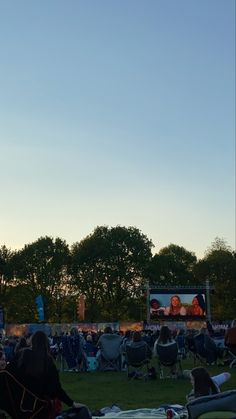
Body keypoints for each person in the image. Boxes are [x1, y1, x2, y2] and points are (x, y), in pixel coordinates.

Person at [6, 331, 91, 418]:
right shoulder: (47, 361)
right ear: (47, 343)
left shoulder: (22, 355)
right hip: (39, 407)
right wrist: (72, 403)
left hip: (19, 403)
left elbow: (8, 373)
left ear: (32, 341)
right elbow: (56, 388)